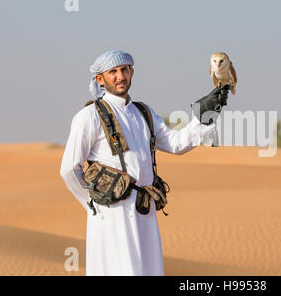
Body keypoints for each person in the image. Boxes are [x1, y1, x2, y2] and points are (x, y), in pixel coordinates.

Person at [60, 50, 229, 276]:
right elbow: (69, 169)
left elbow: (176, 143)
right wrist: (93, 205)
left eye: (124, 70)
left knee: (148, 270)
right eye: (113, 72)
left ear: (132, 72)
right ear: (100, 79)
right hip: (112, 212)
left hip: (144, 207)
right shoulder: (89, 116)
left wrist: (206, 112)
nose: (120, 76)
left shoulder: (143, 112)